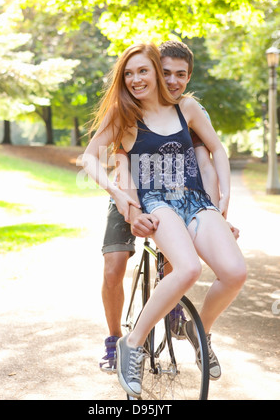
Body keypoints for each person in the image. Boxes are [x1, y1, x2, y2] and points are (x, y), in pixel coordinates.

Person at [82, 42, 247, 398]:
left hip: (195, 199)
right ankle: (131, 342)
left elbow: (215, 150)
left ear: (156, 71)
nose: (136, 79)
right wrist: (119, 194)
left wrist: (223, 200)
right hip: (155, 200)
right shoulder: (125, 115)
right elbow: (91, 157)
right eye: (128, 73)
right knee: (187, 269)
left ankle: (198, 331)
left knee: (235, 273)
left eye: (143, 71)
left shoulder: (186, 108)